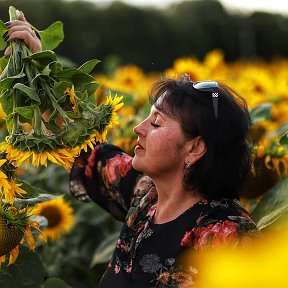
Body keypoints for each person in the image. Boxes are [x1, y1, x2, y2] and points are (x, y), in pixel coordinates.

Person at [4, 14, 258, 288]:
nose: (138, 128)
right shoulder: (146, 195)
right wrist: (37, 62)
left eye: (156, 122)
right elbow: (86, 151)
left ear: (195, 148)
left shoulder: (231, 238)